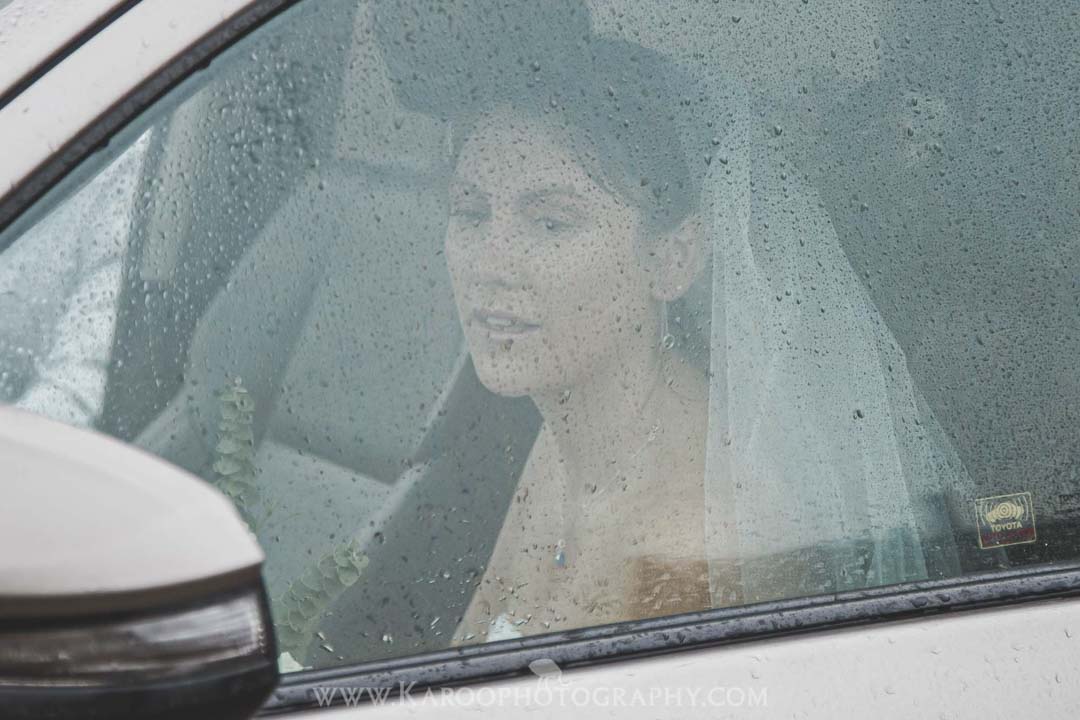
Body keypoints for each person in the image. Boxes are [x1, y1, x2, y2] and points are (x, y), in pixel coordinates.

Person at [369, 0, 985, 646]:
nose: (491, 265)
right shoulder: (569, 431)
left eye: (551, 222)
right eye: (471, 213)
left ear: (673, 257)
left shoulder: (698, 538)